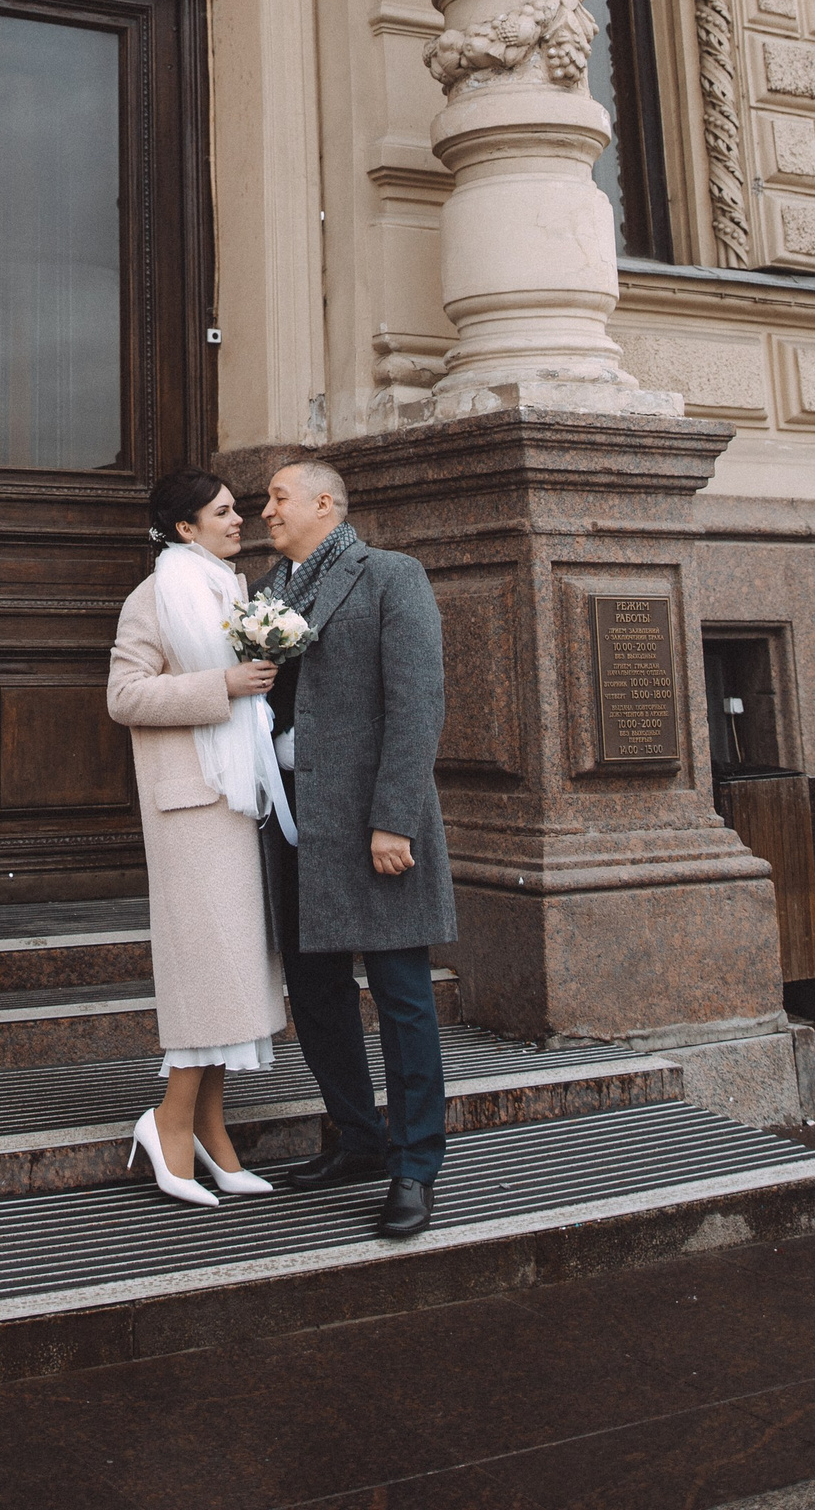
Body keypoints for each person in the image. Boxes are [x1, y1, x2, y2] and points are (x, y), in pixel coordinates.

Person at [258, 455, 455, 1241]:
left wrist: (395, 819)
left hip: (373, 823)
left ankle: (415, 1165)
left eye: (278, 497)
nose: (266, 510)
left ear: (324, 503)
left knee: (402, 996)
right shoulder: (268, 590)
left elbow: (418, 702)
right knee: (315, 992)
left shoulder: (391, 576)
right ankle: (358, 1136)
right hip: (294, 821)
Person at [107, 466, 290, 1207]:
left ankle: (211, 1129)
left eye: (236, 509)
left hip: (236, 798)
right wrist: (223, 687)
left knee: (232, 967)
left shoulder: (231, 590)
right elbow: (124, 695)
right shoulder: (154, 595)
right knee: (207, 969)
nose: (238, 519)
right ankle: (168, 1121)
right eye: (222, 511)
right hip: (188, 806)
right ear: (185, 527)